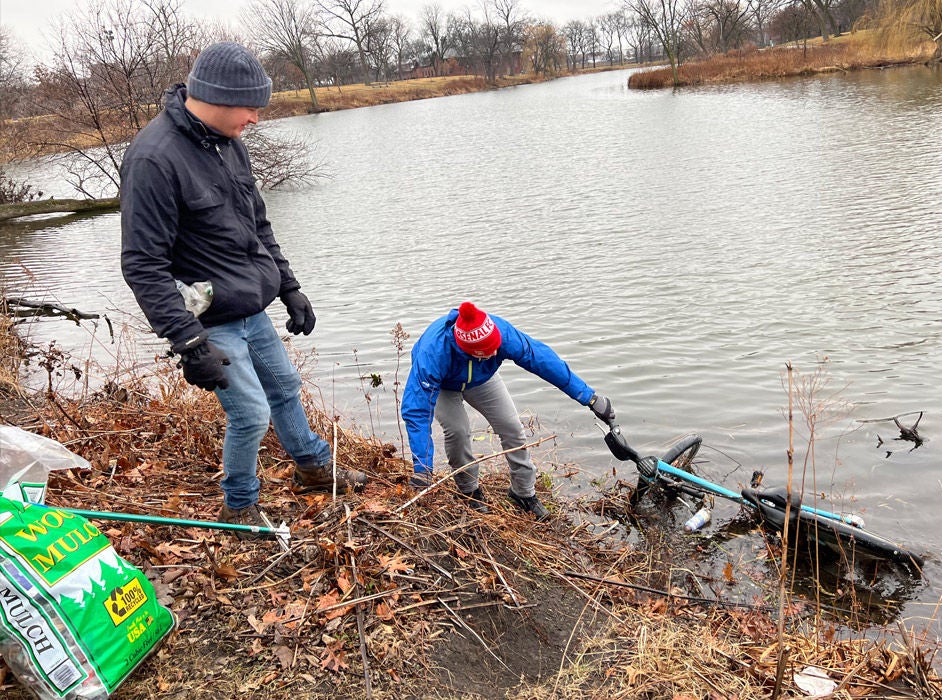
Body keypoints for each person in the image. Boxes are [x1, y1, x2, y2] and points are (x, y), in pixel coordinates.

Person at [119, 42, 366, 533]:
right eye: (250, 107)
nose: (255, 118)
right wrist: (188, 341)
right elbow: (142, 264)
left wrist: (289, 286)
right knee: (251, 412)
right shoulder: (154, 159)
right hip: (210, 320)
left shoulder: (227, 143)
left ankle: (313, 467)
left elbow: (257, 224)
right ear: (215, 96)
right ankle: (239, 506)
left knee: (284, 388)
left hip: (251, 307)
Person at [401, 301, 615, 520]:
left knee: (512, 427)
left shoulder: (500, 333)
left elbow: (542, 360)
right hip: (443, 384)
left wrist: (589, 397)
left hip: (482, 379)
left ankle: (523, 493)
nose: (497, 351)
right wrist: (423, 470)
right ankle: (469, 491)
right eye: (490, 350)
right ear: (473, 352)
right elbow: (416, 411)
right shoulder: (434, 352)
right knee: (458, 431)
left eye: (497, 346)